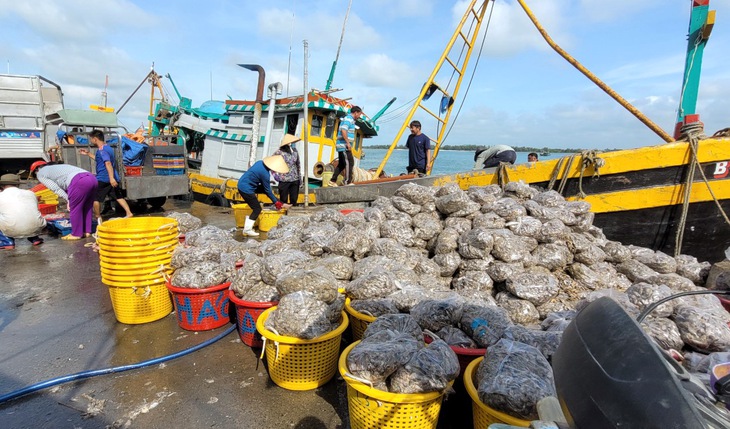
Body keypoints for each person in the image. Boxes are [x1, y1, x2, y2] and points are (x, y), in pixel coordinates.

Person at [30, 161, 98, 240]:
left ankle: (76, 234)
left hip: (79, 181)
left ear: (36, 170)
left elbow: (55, 188)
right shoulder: (58, 167)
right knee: (87, 206)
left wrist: (68, 199)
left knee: (75, 208)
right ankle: (86, 231)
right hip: (92, 178)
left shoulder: (40, 174)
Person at [79, 129, 133, 222]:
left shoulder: (102, 150)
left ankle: (98, 217)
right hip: (111, 178)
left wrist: (111, 178)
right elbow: (100, 160)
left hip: (104, 178)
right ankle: (129, 213)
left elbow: (107, 163)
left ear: (95, 139)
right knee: (118, 196)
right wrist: (88, 153)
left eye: (91, 139)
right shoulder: (107, 148)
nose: (91, 141)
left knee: (95, 198)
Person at [237, 155, 292, 237]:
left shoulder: (259, 163)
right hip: (246, 189)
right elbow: (268, 191)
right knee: (257, 209)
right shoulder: (265, 174)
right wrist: (276, 203)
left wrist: (267, 184)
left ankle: (281, 203)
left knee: (265, 190)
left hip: (243, 183)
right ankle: (247, 230)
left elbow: (257, 178)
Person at [0, 174, 46, 249]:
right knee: (27, 214)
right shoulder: (30, 193)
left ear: (2, 186)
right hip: (36, 227)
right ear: (17, 184)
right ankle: (35, 238)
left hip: (11, 228)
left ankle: (7, 241)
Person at [330, 106, 363, 186]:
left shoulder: (349, 119)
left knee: (341, 164)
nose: (359, 116)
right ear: (355, 113)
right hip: (344, 145)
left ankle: (332, 181)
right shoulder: (349, 119)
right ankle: (347, 182)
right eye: (359, 114)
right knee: (350, 162)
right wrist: (348, 143)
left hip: (342, 145)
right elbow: (344, 130)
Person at [272, 134, 301, 206]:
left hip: (294, 178)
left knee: (294, 200)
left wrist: (299, 177)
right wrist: (274, 174)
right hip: (284, 179)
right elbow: (271, 163)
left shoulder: (295, 151)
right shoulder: (279, 152)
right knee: (283, 200)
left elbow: (298, 165)